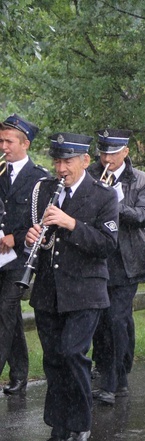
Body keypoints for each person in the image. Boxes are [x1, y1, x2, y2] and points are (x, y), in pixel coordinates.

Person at [27, 133, 119, 441]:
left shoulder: (104, 195)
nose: (60, 168)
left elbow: (107, 245)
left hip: (85, 292)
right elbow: (45, 245)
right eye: (57, 161)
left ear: (84, 160)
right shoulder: (48, 191)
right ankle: (57, 427)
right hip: (49, 291)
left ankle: (80, 425)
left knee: (72, 354)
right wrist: (31, 239)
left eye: (67, 161)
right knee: (53, 359)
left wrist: (71, 224)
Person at [88, 129, 145, 405]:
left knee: (117, 319)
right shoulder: (90, 173)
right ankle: (113, 373)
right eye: (103, 153)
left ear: (125, 152)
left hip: (127, 259)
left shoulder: (140, 179)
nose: (106, 159)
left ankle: (114, 382)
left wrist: (115, 204)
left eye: (112, 154)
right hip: (97, 257)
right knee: (103, 321)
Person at [0, 114, 50, 396]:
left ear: (25, 143)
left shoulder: (39, 178)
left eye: (9, 141)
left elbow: (42, 220)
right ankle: (19, 374)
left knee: (3, 311)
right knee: (10, 317)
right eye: (1, 141)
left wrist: (15, 237)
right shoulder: (0, 173)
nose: (3, 146)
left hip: (20, 258)